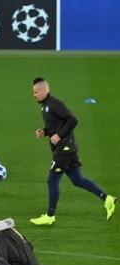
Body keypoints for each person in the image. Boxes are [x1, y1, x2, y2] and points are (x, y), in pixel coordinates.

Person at [30, 77, 116, 225]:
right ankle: (107, 198)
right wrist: (44, 131)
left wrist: (59, 135)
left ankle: (50, 216)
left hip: (65, 149)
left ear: (44, 91)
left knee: (52, 180)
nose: (34, 95)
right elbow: (55, 125)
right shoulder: (45, 106)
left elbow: (73, 120)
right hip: (65, 149)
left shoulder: (55, 104)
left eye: (36, 92)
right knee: (77, 180)